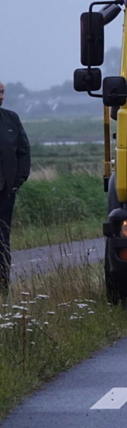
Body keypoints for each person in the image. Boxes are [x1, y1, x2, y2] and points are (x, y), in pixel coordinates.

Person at [0, 81, 31, 293]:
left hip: (5, 191)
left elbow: (24, 151)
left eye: (2, 92)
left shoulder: (11, 118)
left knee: (2, 239)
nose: (1, 97)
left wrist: (16, 182)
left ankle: (3, 287)